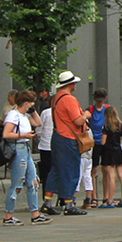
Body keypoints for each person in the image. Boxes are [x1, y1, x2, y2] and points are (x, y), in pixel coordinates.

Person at [1, 90, 49, 226]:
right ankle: (8, 215)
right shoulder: (13, 115)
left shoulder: (24, 115)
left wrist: (33, 111)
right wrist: (23, 135)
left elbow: (38, 123)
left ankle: (35, 214)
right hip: (18, 148)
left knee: (33, 181)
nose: (33, 104)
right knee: (17, 182)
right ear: (26, 103)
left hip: (25, 148)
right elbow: (6, 134)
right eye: (32, 102)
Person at [46, 71, 90, 216]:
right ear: (70, 84)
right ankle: (68, 204)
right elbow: (77, 121)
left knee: (56, 170)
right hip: (68, 138)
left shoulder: (56, 98)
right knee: (70, 171)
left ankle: (47, 202)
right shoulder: (69, 99)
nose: (76, 85)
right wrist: (86, 115)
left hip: (57, 136)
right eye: (74, 83)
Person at [99, 106, 122, 208]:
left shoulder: (106, 126)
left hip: (109, 152)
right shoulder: (121, 126)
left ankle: (110, 200)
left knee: (111, 175)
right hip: (118, 151)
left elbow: (103, 142)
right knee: (121, 175)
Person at [85, 88, 109, 208]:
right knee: (93, 170)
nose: (99, 102)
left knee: (106, 170)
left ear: (105, 99)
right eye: (97, 100)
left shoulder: (107, 110)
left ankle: (106, 197)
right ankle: (94, 197)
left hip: (105, 142)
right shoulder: (90, 110)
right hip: (94, 143)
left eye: (101, 100)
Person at [36, 95, 60, 215]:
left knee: (46, 174)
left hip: (45, 146)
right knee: (57, 172)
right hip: (57, 147)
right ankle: (61, 198)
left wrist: (42, 138)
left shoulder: (45, 113)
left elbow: (39, 129)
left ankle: (46, 198)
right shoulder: (60, 112)